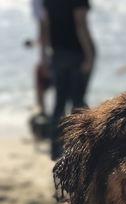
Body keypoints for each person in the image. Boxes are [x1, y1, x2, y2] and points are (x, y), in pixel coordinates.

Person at [42, 0, 96, 160]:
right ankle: (81, 147)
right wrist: (89, 54)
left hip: (57, 54)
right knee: (78, 101)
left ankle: (56, 149)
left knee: (59, 102)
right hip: (76, 53)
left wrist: (45, 56)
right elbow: (80, 24)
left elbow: (45, 26)